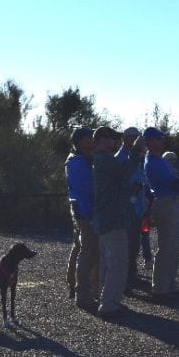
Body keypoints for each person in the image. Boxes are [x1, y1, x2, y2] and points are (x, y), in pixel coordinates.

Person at [91, 125, 145, 319]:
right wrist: (137, 152)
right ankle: (109, 305)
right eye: (112, 138)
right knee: (118, 263)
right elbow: (125, 171)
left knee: (107, 262)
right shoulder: (104, 160)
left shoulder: (101, 160)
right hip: (113, 218)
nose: (116, 142)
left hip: (106, 217)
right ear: (102, 140)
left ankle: (105, 300)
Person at [143, 126, 179, 301]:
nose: (162, 141)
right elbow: (174, 182)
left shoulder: (157, 159)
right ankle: (160, 287)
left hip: (170, 202)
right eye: (159, 139)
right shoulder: (153, 161)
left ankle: (169, 283)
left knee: (173, 245)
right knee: (167, 246)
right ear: (150, 141)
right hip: (165, 202)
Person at [65, 126, 99, 308]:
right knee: (89, 251)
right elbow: (89, 188)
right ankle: (84, 293)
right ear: (80, 141)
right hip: (86, 212)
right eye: (89, 137)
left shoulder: (77, 160)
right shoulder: (78, 162)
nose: (92, 140)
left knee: (80, 248)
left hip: (80, 210)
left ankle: (75, 286)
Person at [116, 127, 148, 292]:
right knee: (127, 244)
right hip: (127, 208)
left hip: (137, 207)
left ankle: (131, 274)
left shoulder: (138, 157)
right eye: (133, 137)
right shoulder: (121, 157)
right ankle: (126, 279)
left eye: (137, 137)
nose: (136, 140)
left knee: (135, 243)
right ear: (124, 138)